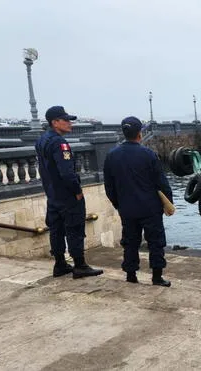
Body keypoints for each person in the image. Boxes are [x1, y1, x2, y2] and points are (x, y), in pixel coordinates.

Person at [35, 106, 104, 279]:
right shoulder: (60, 143)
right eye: (66, 120)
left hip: (53, 194)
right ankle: (80, 265)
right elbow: (67, 173)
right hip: (67, 195)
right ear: (55, 122)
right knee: (74, 228)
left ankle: (60, 264)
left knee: (56, 229)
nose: (70, 123)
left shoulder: (41, 140)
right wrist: (77, 191)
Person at [104, 116, 173, 287]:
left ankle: (131, 275)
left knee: (130, 242)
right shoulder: (149, 155)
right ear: (139, 134)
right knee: (155, 242)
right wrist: (168, 202)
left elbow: (109, 186)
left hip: (127, 208)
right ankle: (157, 277)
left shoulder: (112, 156)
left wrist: (118, 204)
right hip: (150, 208)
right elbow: (161, 182)